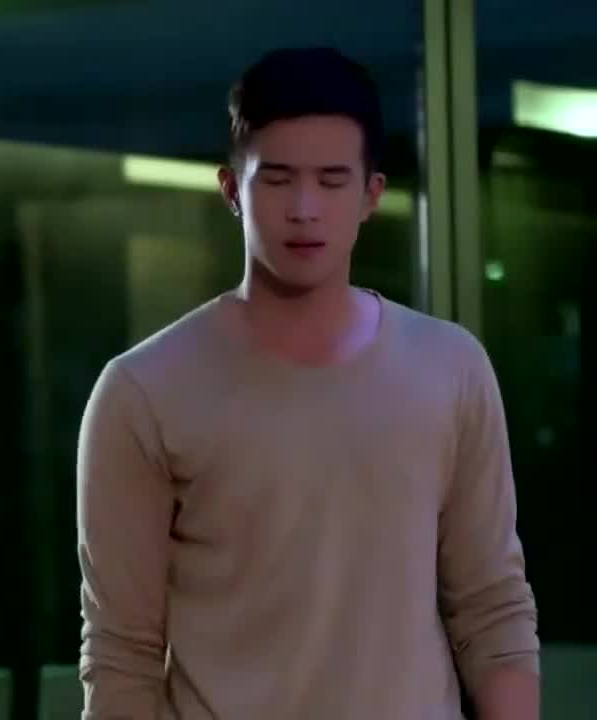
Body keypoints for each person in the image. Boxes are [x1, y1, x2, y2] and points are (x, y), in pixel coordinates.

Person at [76, 47, 539, 719]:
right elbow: (122, 654)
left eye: (331, 180)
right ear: (232, 190)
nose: (304, 208)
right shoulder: (144, 390)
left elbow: (492, 610)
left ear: (370, 195)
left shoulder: (450, 368)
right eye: (277, 179)